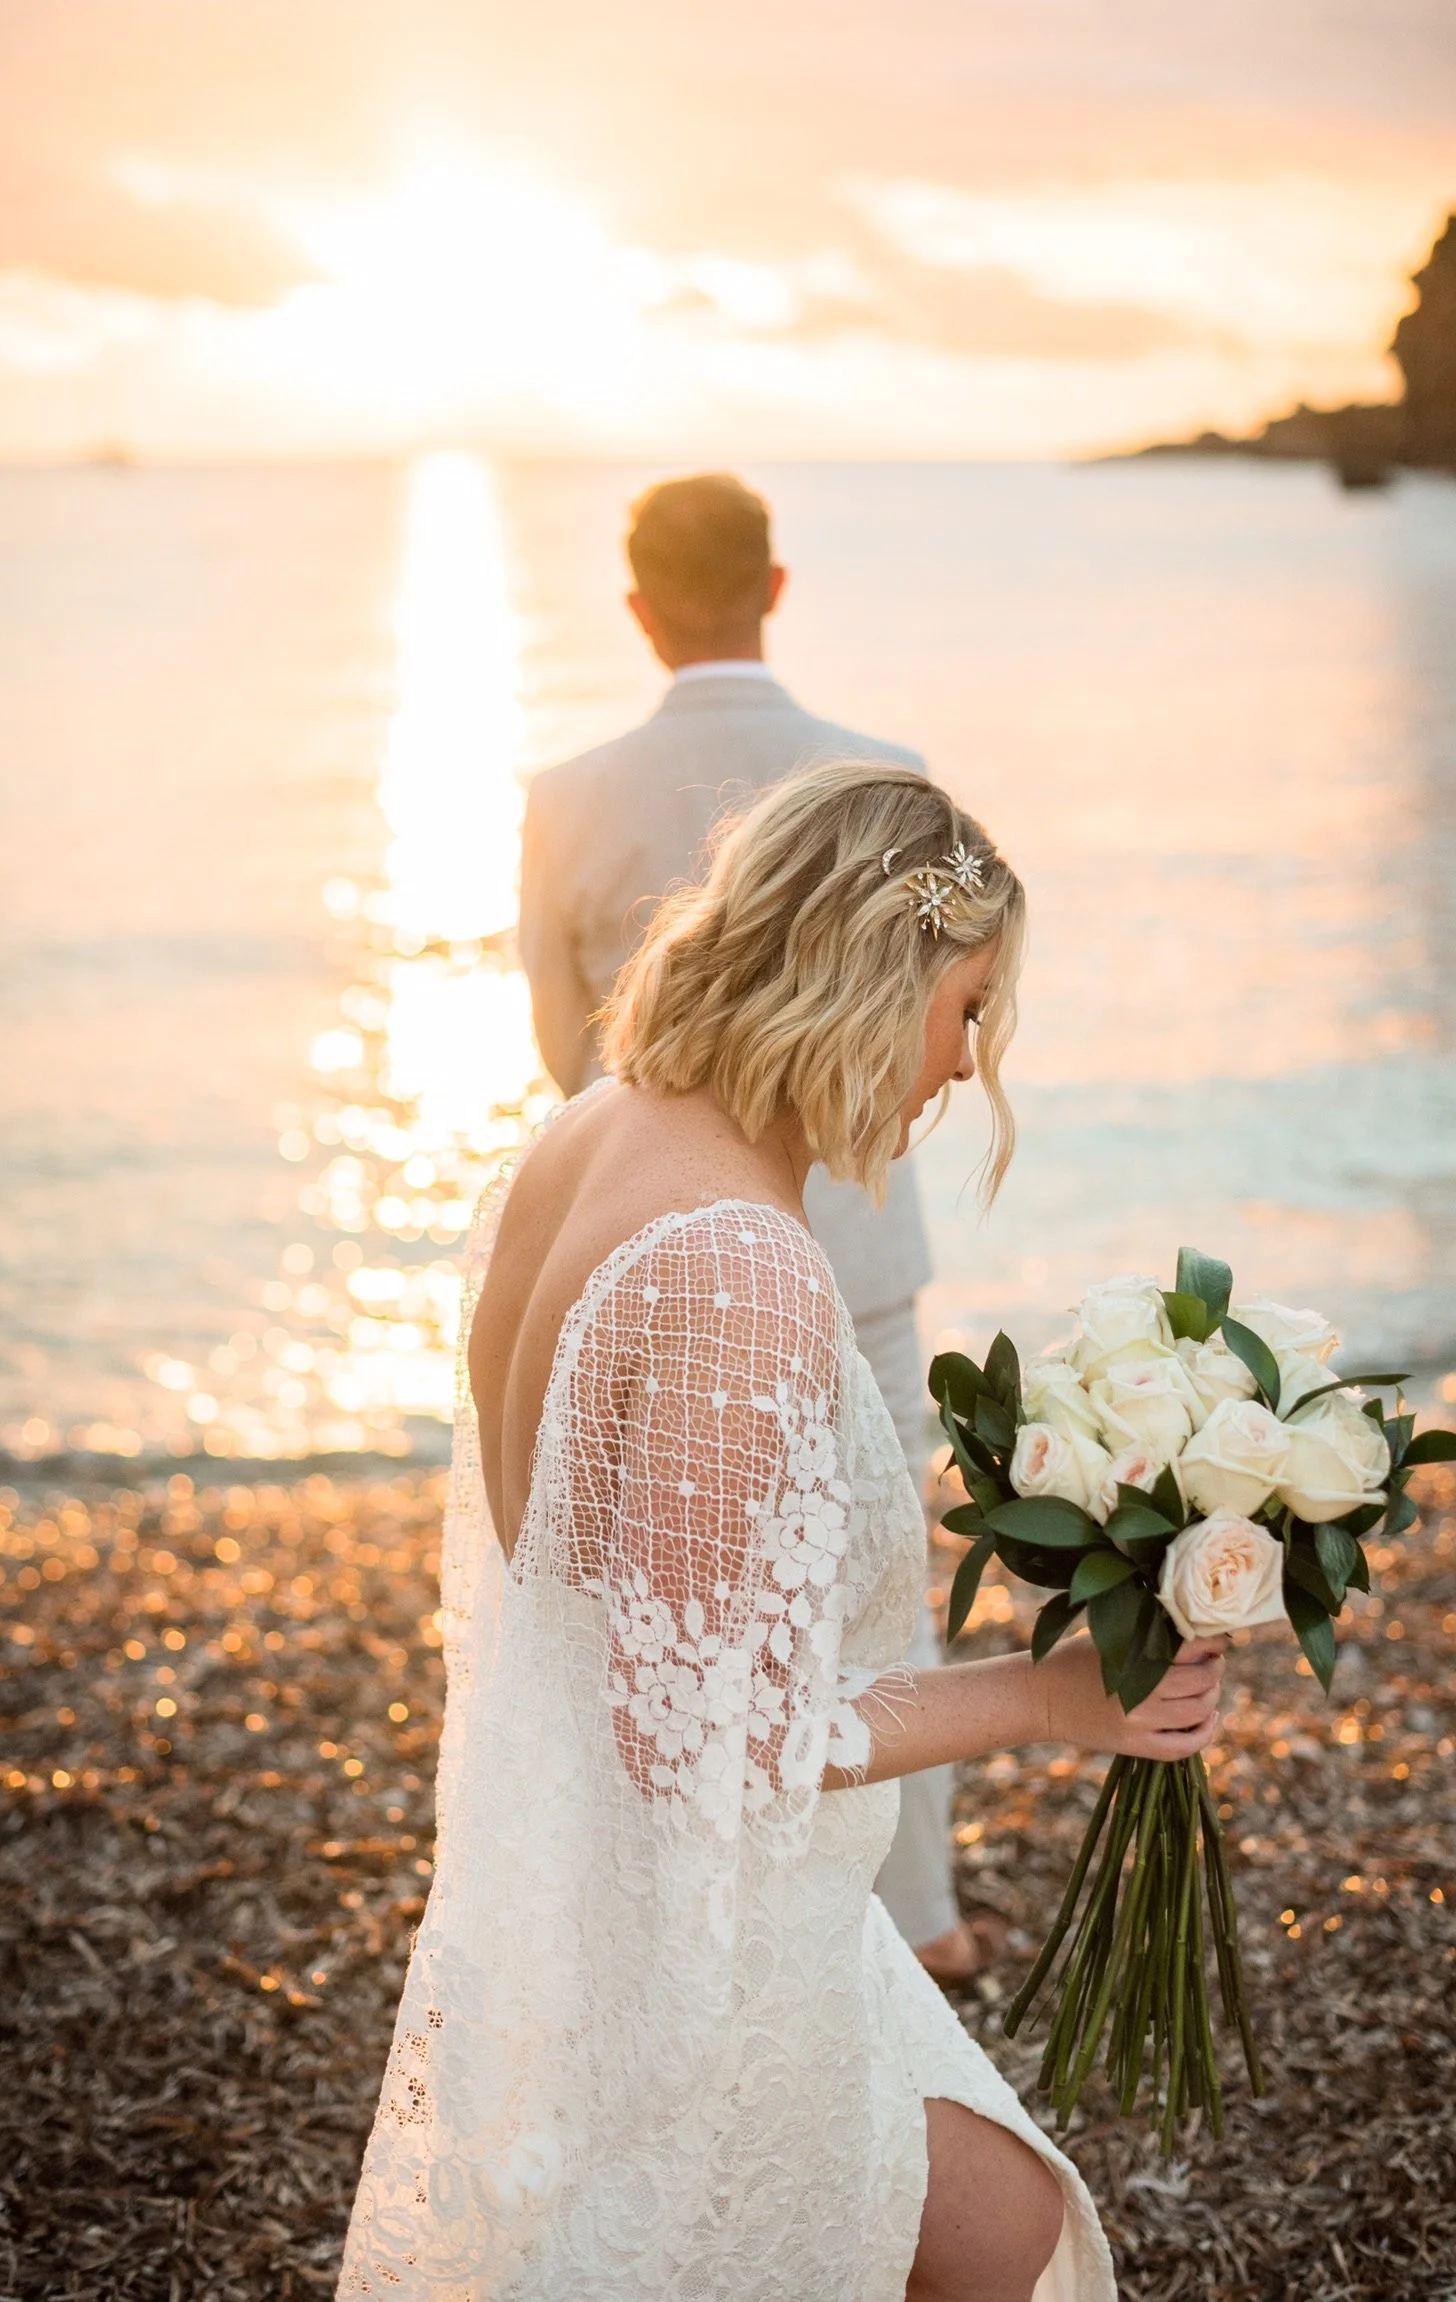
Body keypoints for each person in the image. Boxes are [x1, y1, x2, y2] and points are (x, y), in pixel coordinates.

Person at [337, 760, 1225, 2302]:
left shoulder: (593, 1127)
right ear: (870, 979)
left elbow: (592, 1557)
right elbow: (707, 1744)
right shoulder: (737, 1265)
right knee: (1008, 2244)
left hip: (586, 1898)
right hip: (696, 1949)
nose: (963, 1068)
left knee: (993, 2225)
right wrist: (1050, 1700)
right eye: (964, 1008)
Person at [519, 471, 994, 1984]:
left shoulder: (568, 794)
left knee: (654, 1597)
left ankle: (732, 1918)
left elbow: (564, 1043)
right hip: (838, 1264)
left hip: (628, 1236)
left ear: (640, 604)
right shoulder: (888, 778)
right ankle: (915, 1921)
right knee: (866, 1588)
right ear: (776, 585)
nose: (969, 1054)